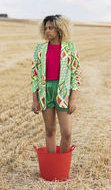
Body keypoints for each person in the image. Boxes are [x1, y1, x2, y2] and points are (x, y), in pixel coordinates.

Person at [31, 15, 81, 154]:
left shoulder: (70, 48)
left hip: (63, 92)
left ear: (59, 29)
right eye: (45, 28)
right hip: (45, 91)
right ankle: (52, 165)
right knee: (50, 130)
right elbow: (34, 76)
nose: (47, 31)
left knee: (67, 133)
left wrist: (73, 99)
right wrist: (35, 100)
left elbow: (76, 75)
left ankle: (62, 163)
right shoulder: (39, 49)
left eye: (51, 28)